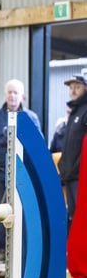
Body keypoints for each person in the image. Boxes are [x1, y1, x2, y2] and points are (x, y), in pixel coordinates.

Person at [0, 78, 41, 264]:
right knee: (1, 211)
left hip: (23, 176)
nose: (12, 96)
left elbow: (38, 145)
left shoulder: (31, 117)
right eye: (9, 92)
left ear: (22, 96)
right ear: (5, 95)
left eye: (16, 92)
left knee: (23, 211)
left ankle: (23, 252)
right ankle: (0, 252)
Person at [58, 74, 87, 232]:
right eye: (71, 88)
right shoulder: (73, 112)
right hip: (69, 175)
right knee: (72, 216)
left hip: (80, 176)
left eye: (77, 87)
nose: (73, 91)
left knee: (81, 217)